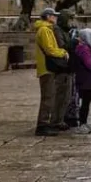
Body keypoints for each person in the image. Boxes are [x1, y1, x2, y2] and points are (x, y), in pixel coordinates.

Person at [34, 8, 70, 136]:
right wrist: (63, 53)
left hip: (48, 68)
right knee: (48, 97)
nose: (56, 18)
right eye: (54, 16)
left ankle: (46, 122)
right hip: (46, 68)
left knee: (50, 96)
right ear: (48, 16)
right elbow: (50, 49)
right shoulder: (44, 30)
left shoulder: (47, 29)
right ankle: (42, 124)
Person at [55, 9, 80, 129]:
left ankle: (63, 119)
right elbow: (62, 46)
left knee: (68, 96)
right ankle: (57, 120)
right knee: (61, 96)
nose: (72, 22)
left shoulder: (67, 31)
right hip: (62, 67)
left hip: (69, 67)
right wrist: (74, 42)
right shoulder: (58, 30)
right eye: (70, 19)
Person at [74, 28, 91, 134]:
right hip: (85, 80)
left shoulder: (86, 48)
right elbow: (89, 65)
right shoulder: (84, 49)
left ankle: (84, 123)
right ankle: (82, 124)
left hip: (87, 80)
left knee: (86, 103)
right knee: (85, 103)